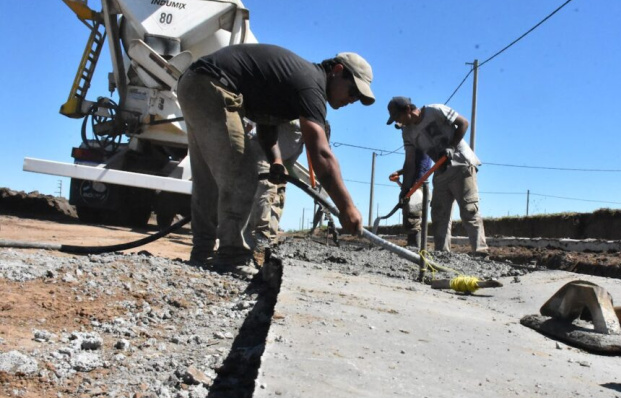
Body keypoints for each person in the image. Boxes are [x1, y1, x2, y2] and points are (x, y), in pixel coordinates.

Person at [177, 43, 374, 278]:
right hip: (214, 85)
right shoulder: (312, 86)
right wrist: (347, 207)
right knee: (242, 171)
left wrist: (276, 160)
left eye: (358, 98)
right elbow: (320, 153)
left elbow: (266, 124)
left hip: (195, 82)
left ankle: (203, 253)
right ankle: (232, 256)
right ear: (338, 70)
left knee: (208, 178)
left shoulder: (296, 80)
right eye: (353, 92)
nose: (352, 100)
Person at [385, 96, 488, 255]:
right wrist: (405, 190)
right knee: (439, 215)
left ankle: (481, 253)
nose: (399, 121)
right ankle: (442, 255)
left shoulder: (435, 110)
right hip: (440, 171)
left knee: (469, 211)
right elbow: (410, 163)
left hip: (461, 165)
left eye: (398, 117)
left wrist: (451, 146)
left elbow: (463, 123)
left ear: (407, 110)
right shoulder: (407, 132)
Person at [388, 147, 433, 249]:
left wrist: (416, 184)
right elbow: (412, 167)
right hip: (414, 184)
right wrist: (399, 173)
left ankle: (414, 246)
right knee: (410, 214)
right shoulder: (415, 147)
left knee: (413, 215)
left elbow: (422, 167)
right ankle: (413, 245)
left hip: (417, 184)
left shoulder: (422, 145)